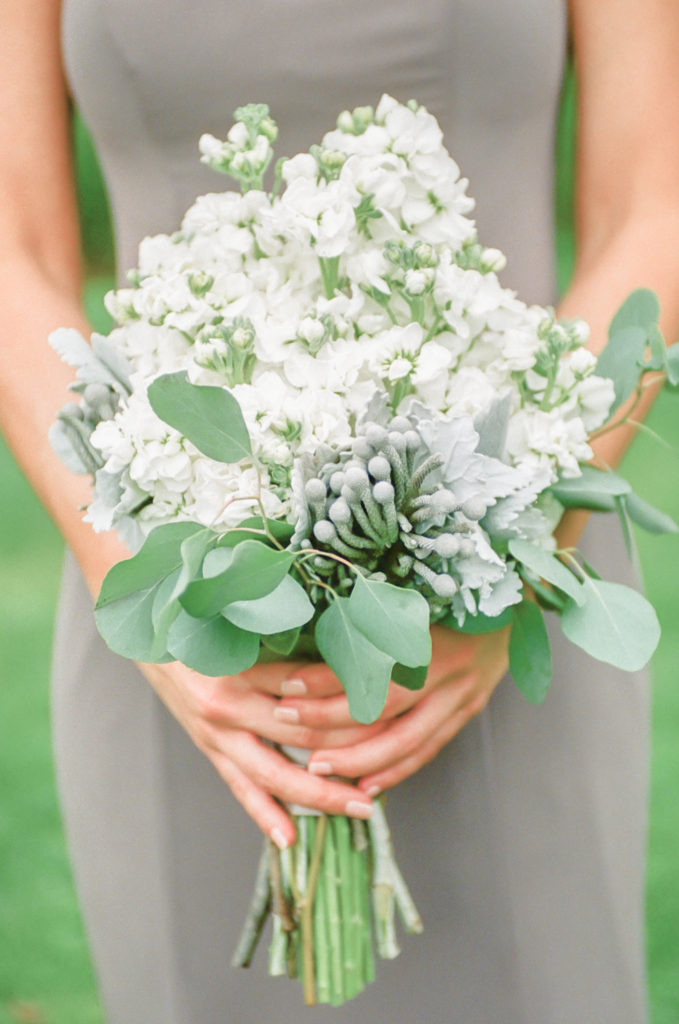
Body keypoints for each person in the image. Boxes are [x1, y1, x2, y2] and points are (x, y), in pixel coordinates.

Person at [2, 1, 679, 1021]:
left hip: (508, 607)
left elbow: (649, 202)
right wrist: (141, 587)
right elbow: (13, 243)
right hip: (186, 630)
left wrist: (508, 555)